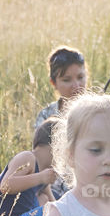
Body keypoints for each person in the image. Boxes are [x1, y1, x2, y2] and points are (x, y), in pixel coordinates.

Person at [35, 46, 88, 199]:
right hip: (54, 189)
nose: (76, 86)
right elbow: (41, 161)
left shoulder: (96, 113)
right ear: (54, 83)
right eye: (67, 80)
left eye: (80, 77)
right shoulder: (46, 115)